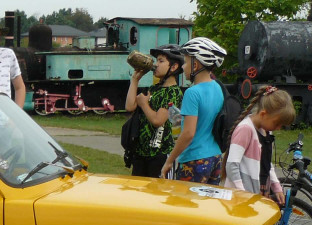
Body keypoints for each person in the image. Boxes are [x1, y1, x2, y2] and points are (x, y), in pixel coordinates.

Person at [159, 37, 227, 181]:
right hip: (215, 157)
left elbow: (189, 133)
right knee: (206, 203)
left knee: (186, 203)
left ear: (195, 65)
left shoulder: (192, 92)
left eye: (185, 61)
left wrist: (170, 159)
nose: (183, 67)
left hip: (194, 159)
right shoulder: (218, 87)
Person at [222, 86, 295, 203]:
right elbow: (231, 166)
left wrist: (276, 187)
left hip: (257, 193)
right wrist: (242, 193)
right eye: (277, 124)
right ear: (263, 114)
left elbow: (266, 163)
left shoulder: (266, 131)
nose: (278, 128)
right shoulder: (245, 129)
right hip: (240, 197)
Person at [125, 44, 185, 176]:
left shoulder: (173, 93)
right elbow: (130, 106)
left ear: (173, 67)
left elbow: (158, 121)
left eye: (161, 61)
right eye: (156, 60)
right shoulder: (154, 89)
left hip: (159, 155)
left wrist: (144, 104)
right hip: (141, 152)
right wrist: (135, 80)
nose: (156, 64)